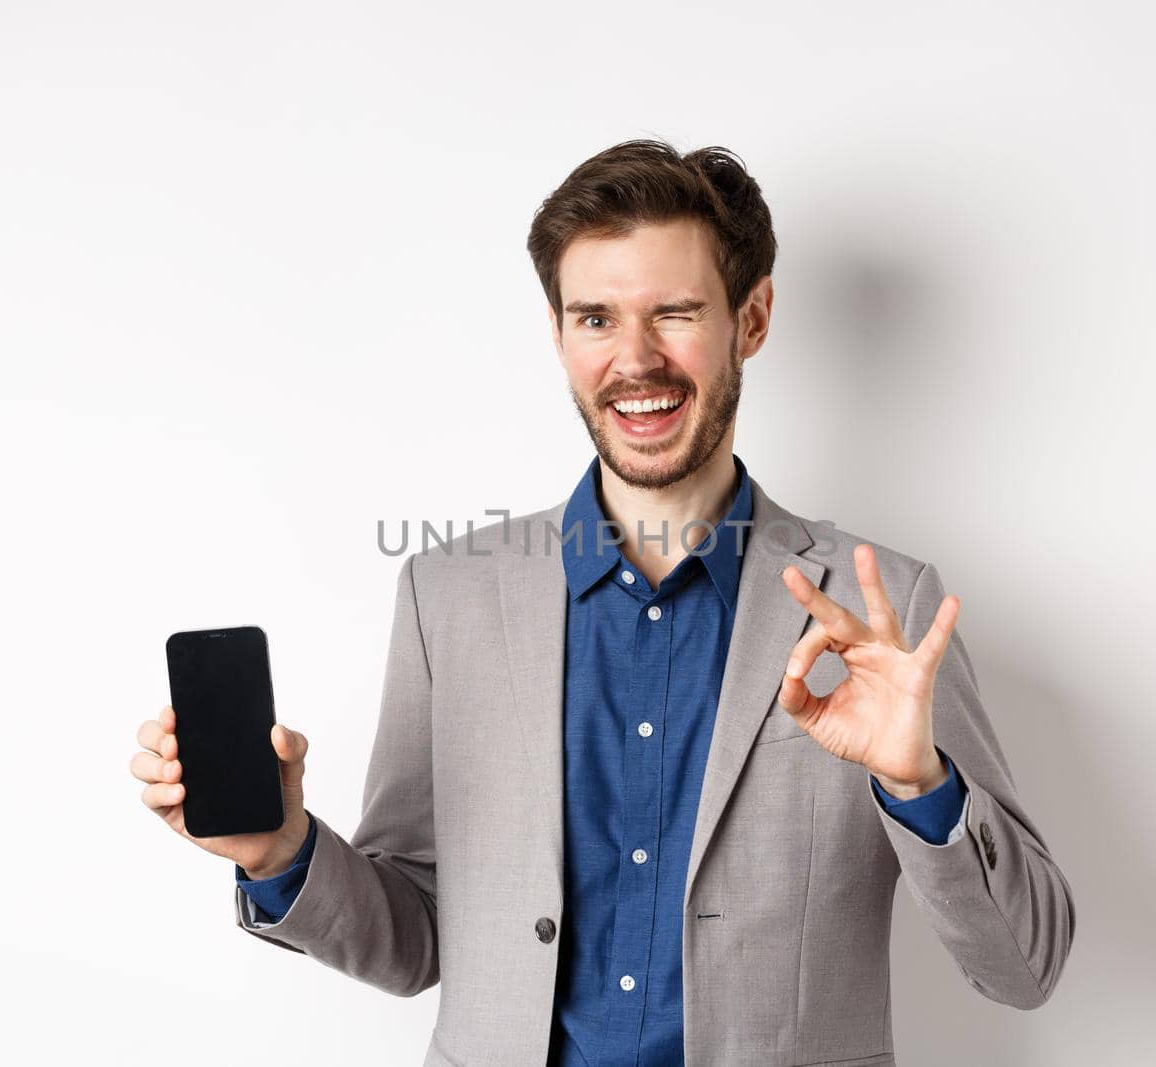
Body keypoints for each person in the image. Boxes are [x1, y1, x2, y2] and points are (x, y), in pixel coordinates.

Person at [130, 139, 1075, 1067]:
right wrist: (278, 848)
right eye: (595, 318)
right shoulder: (448, 597)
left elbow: (1024, 968)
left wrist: (919, 785)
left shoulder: (881, 604)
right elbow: (415, 935)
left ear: (751, 319)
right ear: (557, 333)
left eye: (674, 313)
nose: (636, 360)